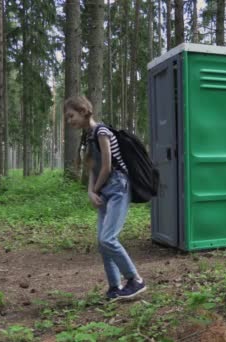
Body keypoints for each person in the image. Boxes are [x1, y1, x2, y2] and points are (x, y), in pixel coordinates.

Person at [64, 95, 146, 301]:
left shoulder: (102, 132)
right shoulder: (89, 136)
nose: (69, 121)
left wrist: (96, 189)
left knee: (108, 238)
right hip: (104, 189)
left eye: (71, 115)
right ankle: (114, 287)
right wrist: (90, 191)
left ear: (83, 111)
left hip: (118, 187)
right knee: (103, 243)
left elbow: (108, 166)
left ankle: (135, 280)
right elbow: (92, 168)